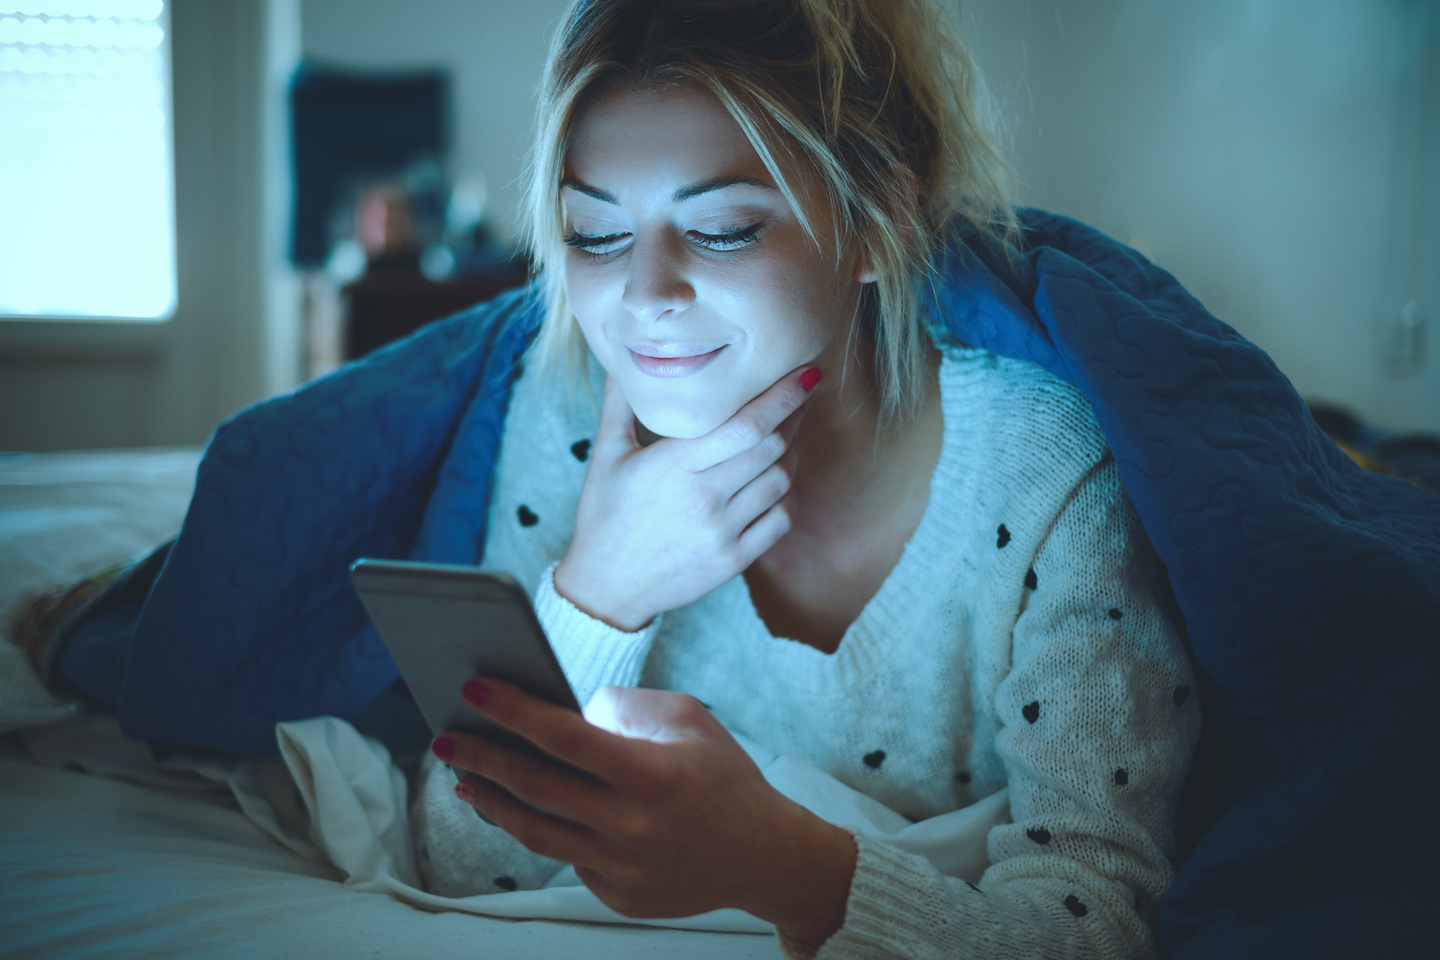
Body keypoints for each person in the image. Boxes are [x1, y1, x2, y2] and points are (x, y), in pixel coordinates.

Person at [406, 1, 1199, 957]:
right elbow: (460, 864)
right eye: (595, 234)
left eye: (725, 229)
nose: (644, 296)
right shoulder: (572, 407)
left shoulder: (1047, 476)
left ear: (880, 225)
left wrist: (783, 866)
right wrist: (597, 595)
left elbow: (1097, 926)